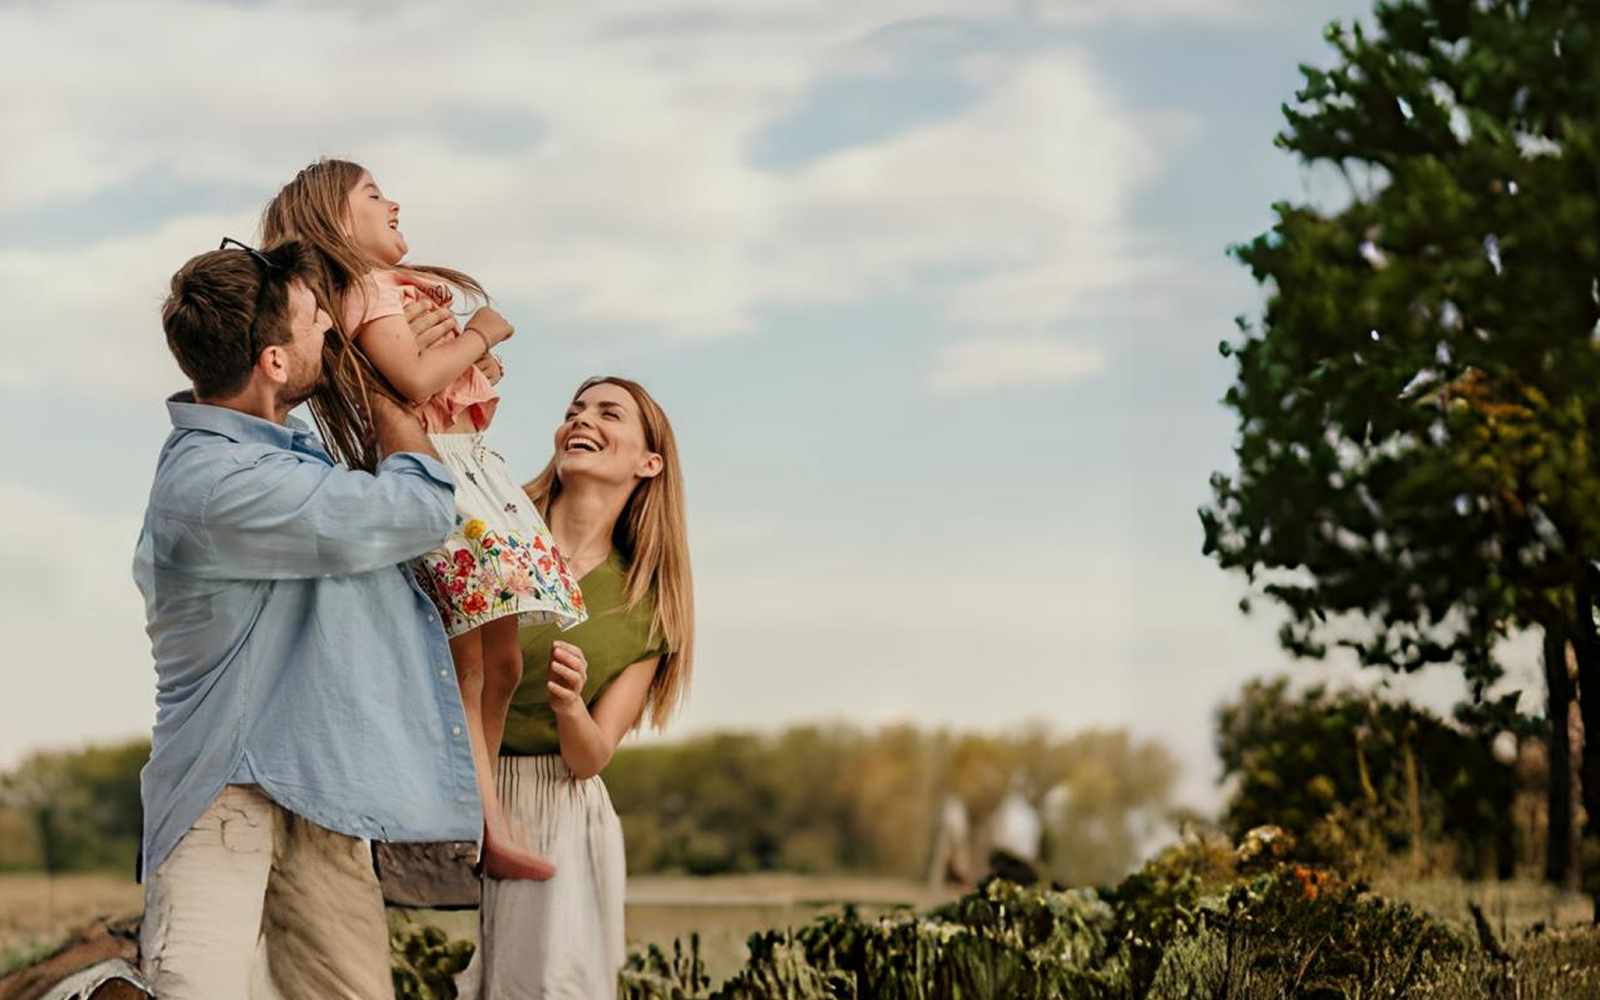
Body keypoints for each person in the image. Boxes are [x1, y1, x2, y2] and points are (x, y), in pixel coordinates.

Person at [134, 239, 484, 999]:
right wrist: (389, 398)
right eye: (310, 317)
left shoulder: (286, 455)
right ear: (273, 363)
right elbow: (420, 508)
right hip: (226, 795)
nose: (329, 322)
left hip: (319, 790)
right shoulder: (220, 486)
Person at [261, 158, 586, 881]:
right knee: (470, 667)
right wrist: (482, 337)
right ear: (338, 222)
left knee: (501, 663)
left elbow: (428, 378)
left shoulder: (389, 292)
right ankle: (479, 823)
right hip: (444, 482)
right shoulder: (369, 290)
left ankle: (483, 811)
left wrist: (469, 366)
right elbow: (410, 380)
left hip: (473, 472)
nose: (394, 202)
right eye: (374, 195)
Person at [475, 376, 695, 999]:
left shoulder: (647, 607)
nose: (582, 420)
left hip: (555, 811)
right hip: (460, 786)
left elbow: (592, 756)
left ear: (649, 463)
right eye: (573, 410)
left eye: (608, 413)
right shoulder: (494, 528)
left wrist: (570, 705)